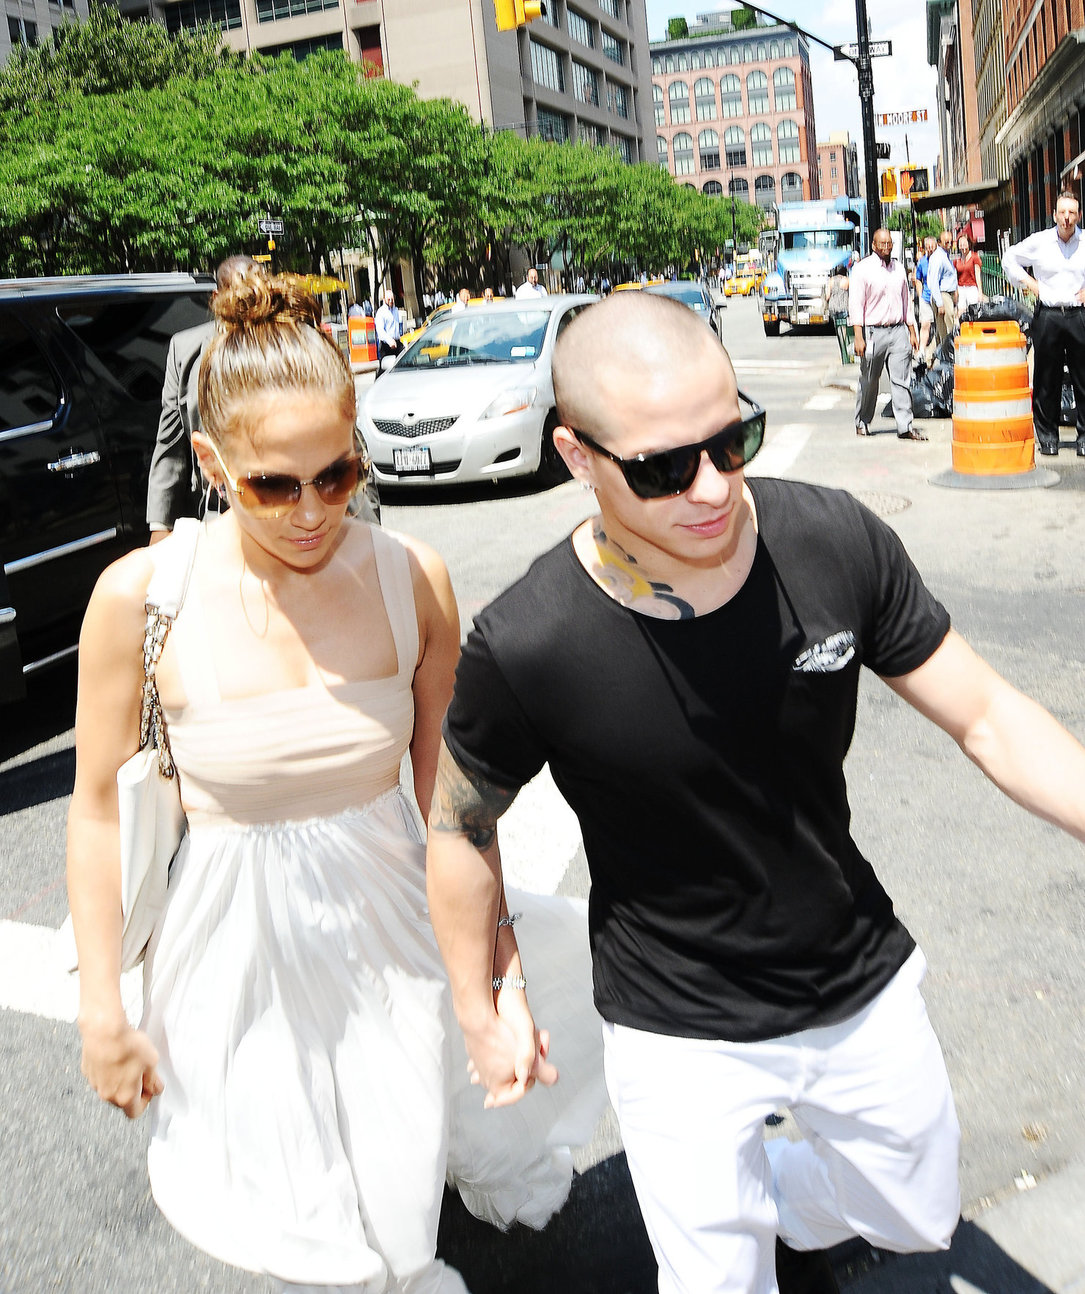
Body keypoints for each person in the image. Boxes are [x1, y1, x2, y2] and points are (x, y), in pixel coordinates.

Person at [424, 290, 1085, 1294]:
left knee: (912, 1213)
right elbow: (458, 823)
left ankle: (769, 1183)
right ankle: (723, 1212)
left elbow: (984, 713)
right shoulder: (529, 640)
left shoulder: (828, 541)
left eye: (730, 440)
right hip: (671, 1016)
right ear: (577, 457)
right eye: (658, 467)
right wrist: (480, 1003)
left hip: (848, 974)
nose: (708, 487)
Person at [67, 271, 605, 1293]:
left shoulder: (412, 577)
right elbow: (97, 810)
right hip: (236, 946)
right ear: (211, 464)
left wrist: (497, 982)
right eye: (275, 484)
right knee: (299, 1189)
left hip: (394, 918)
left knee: (392, 1173)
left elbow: (457, 808)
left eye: (338, 473)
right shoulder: (138, 599)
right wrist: (103, 1008)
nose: (313, 510)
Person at [146, 255, 261, 541]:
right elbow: (170, 447)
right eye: (236, 293)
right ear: (216, 298)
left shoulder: (293, 343)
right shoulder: (185, 350)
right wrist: (160, 529)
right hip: (217, 516)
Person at [1002, 189, 1085, 457]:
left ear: (1079, 215)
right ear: (1054, 215)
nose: (1067, 218)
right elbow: (1009, 259)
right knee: (1046, 379)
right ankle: (1048, 437)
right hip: (1048, 315)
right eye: (1062, 213)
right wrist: (1028, 283)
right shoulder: (1040, 242)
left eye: (1072, 213)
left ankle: (1084, 437)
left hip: (1078, 315)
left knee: (1082, 378)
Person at [848, 227, 924, 440]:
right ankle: (862, 421)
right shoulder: (862, 269)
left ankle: (905, 426)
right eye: (882, 244)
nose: (886, 247)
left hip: (898, 331)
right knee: (870, 380)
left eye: (889, 243)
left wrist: (912, 330)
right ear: (873, 245)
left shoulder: (898, 269)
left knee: (902, 381)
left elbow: (906, 301)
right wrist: (859, 336)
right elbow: (856, 304)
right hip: (873, 332)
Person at [926, 230, 958, 361]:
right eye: (946, 242)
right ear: (939, 242)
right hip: (942, 296)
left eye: (951, 241)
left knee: (943, 330)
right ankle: (946, 357)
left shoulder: (944, 255)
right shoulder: (938, 257)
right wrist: (940, 303)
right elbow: (933, 281)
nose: (949, 244)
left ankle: (932, 358)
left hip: (947, 295)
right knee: (947, 331)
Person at [912, 236, 937, 362]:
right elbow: (918, 278)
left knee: (939, 325)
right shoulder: (922, 262)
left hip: (938, 296)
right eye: (928, 247)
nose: (930, 249)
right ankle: (922, 350)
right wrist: (920, 294)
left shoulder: (940, 259)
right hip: (926, 296)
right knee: (925, 323)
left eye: (932, 246)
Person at [375, 289, 403, 375]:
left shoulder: (396, 310)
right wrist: (389, 340)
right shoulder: (381, 312)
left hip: (397, 342)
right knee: (384, 369)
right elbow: (380, 330)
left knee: (402, 364)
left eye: (392, 299)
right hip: (386, 345)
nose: (391, 301)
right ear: (384, 300)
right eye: (389, 299)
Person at [953, 233, 984, 312]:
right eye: (960, 244)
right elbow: (955, 277)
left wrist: (980, 292)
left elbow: (977, 275)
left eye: (964, 243)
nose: (962, 246)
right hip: (961, 288)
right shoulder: (957, 261)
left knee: (974, 311)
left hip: (972, 288)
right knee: (961, 311)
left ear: (969, 244)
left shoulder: (974, 257)